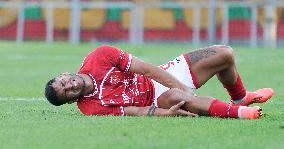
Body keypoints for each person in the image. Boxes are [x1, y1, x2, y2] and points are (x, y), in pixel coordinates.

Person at [44, 45, 274, 119]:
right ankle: (242, 112)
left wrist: (180, 84)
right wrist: (165, 113)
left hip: (163, 74)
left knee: (225, 54)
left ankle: (240, 96)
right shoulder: (89, 107)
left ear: (64, 74)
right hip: (158, 99)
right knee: (178, 99)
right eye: (67, 93)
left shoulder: (100, 56)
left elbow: (147, 69)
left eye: (64, 83)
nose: (70, 86)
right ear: (70, 101)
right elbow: (133, 110)